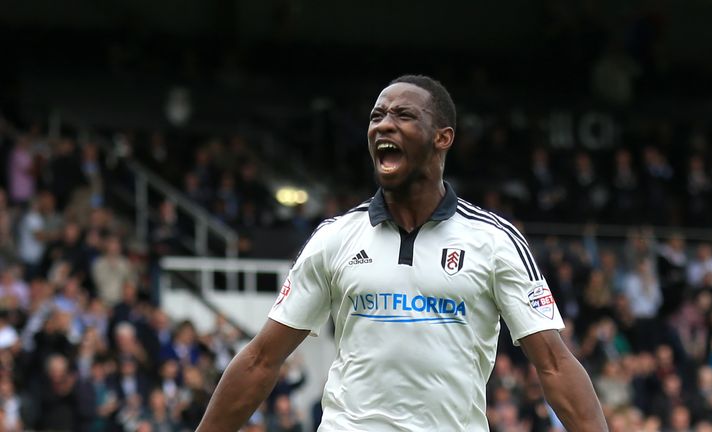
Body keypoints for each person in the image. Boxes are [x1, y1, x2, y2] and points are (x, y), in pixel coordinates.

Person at [196, 75, 607, 431]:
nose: (384, 125)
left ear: (442, 137)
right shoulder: (334, 238)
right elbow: (261, 359)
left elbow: (554, 364)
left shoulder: (494, 241)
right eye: (377, 116)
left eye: (403, 116)